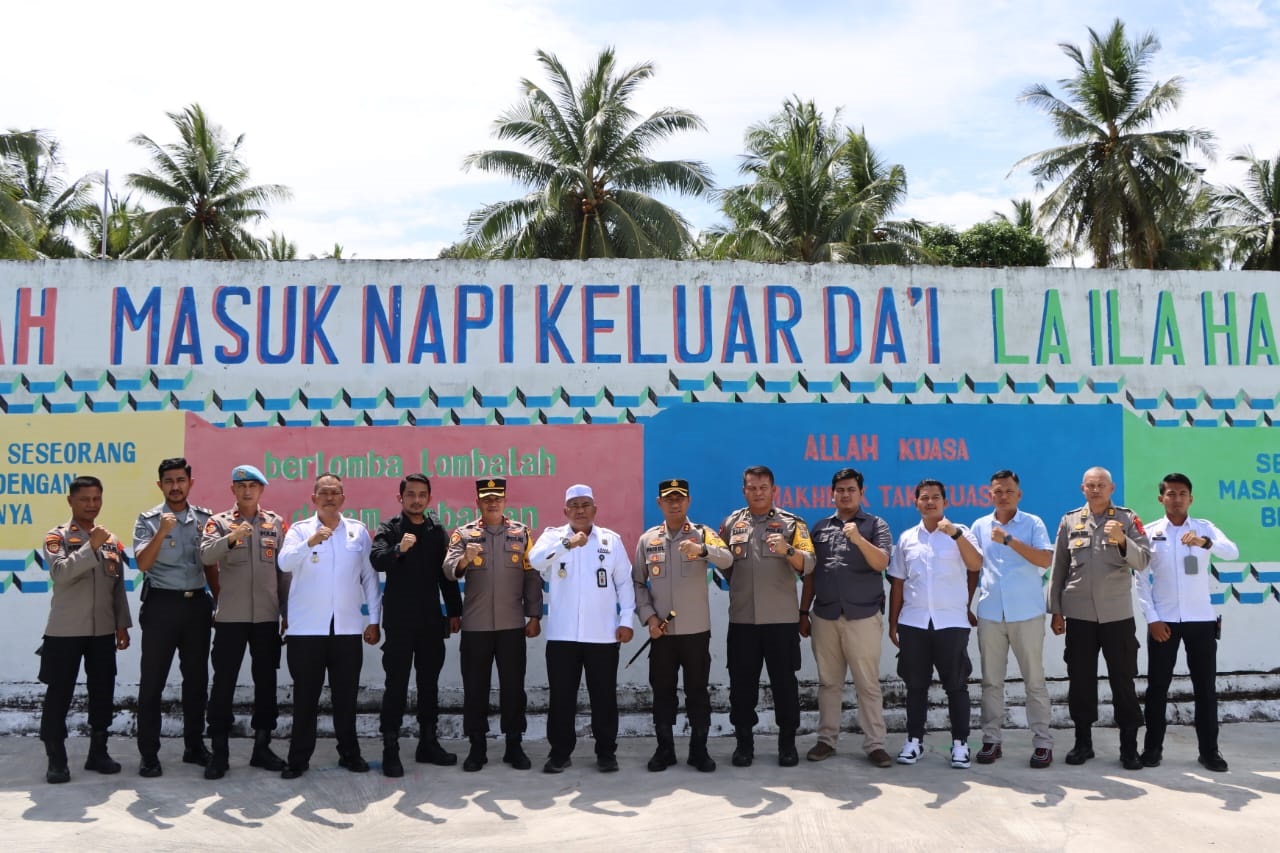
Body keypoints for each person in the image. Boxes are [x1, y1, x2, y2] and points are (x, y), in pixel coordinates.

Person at [277, 474, 382, 778]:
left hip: (346, 630)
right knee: (305, 699)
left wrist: (374, 620)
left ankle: (350, 754)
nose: (329, 498)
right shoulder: (300, 530)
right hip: (306, 631)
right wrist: (310, 543)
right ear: (313, 498)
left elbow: (369, 578)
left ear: (343, 498)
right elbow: (284, 563)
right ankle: (298, 760)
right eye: (323, 493)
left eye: (335, 493)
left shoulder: (357, 532)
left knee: (346, 699)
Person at [1049, 466, 1151, 771]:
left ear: (1111, 488)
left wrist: (1122, 540)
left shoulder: (1127, 519)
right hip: (1079, 614)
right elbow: (1059, 567)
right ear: (1083, 488)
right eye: (1090, 485)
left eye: (1101, 485)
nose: (1095, 490)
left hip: (1116, 616)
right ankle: (1083, 743)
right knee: (1080, 681)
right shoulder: (1069, 521)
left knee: (1123, 681)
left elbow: (1143, 560)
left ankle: (1129, 748)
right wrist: (1056, 610)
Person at [1136, 473, 1238, 773]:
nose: (1177, 498)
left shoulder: (1205, 528)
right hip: (1164, 621)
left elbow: (1232, 552)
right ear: (1161, 499)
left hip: (1201, 620)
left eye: (1182, 494)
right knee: (1157, 688)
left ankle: (1210, 752)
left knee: (1205, 688)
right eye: (1171, 493)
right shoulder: (1150, 532)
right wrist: (1152, 619)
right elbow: (1140, 580)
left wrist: (1205, 543)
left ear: (1191, 499)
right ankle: (1152, 749)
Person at [529, 484, 635, 774]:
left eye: (585, 504)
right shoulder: (553, 537)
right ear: (565, 511)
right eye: (574, 505)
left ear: (595, 509)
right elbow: (535, 561)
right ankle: (560, 753)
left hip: (602, 635)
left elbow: (624, 583)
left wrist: (626, 620)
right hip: (562, 636)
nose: (580, 510)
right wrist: (567, 544)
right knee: (561, 697)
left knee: (604, 697)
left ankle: (606, 752)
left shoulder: (610, 541)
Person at [632, 478, 732, 773]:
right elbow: (637, 583)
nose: (674, 504)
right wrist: (649, 618)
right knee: (662, 692)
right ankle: (664, 749)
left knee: (697, 692)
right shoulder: (648, 540)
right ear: (659, 503)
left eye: (680, 498)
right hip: (661, 633)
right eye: (669, 499)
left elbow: (727, 559)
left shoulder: (703, 534)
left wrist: (702, 551)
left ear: (688, 501)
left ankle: (699, 750)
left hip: (695, 632)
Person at [719, 465, 816, 768]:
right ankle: (743, 745)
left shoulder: (793, 524)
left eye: (763, 487)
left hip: (781, 622)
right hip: (743, 621)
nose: (757, 492)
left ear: (774, 490)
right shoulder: (731, 523)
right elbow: (725, 566)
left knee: (784, 686)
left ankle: (787, 745)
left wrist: (788, 551)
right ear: (744, 490)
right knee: (741, 687)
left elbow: (809, 564)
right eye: (752, 487)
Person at [38, 475, 132, 784]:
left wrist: (121, 625)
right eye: (84, 499)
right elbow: (61, 573)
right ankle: (56, 759)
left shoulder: (110, 539)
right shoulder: (57, 536)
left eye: (96, 499)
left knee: (103, 692)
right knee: (59, 695)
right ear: (70, 501)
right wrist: (91, 546)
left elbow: (117, 587)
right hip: (64, 631)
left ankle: (98, 753)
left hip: (102, 631)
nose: (91, 505)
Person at [444, 478, 543, 772]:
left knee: (513, 688)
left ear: (505, 501)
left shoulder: (521, 533)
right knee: (475, 689)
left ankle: (514, 745)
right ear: (477, 502)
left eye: (497, 498)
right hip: (476, 627)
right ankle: (477, 747)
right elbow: (449, 570)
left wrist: (534, 616)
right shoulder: (464, 534)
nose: (492, 503)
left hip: (512, 625)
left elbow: (532, 576)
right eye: (486, 499)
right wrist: (465, 560)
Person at [199, 464, 289, 780]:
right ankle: (219, 752)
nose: (247, 491)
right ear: (233, 490)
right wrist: (231, 538)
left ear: (261, 490)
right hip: (230, 619)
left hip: (266, 617)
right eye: (241, 486)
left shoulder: (275, 523)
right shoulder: (219, 523)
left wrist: (287, 612)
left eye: (253, 486)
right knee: (223, 684)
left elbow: (283, 572)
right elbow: (206, 557)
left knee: (266, 683)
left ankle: (262, 747)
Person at [799, 467, 893, 769]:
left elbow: (881, 562)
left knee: (867, 684)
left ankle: (875, 744)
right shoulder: (820, 528)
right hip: (825, 615)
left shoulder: (875, 524)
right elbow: (811, 575)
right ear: (832, 494)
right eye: (840, 490)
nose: (845, 495)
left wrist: (858, 539)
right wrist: (803, 612)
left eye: (851, 489)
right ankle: (826, 740)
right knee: (829, 683)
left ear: (861, 493)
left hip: (862, 616)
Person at [371, 473, 463, 778]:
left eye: (422, 495)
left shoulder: (437, 531)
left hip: (430, 620)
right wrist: (399, 549)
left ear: (429, 498)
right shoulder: (390, 528)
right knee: (396, 684)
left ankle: (428, 742)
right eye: (410, 494)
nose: (416, 500)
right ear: (400, 498)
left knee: (429, 683)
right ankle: (390, 747)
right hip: (399, 620)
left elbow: (446, 576)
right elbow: (377, 559)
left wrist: (454, 611)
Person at [888, 478, 983, 769]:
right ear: (916, 502)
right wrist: (892, 622)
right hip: (913, 622)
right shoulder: (907, 538)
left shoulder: (961, 532)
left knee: (956, 685)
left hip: (951, 622)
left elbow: (975, 564)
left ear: (945, 502)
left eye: (935, 497)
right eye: (924, 497)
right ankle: (914, 741)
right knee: (916, 685)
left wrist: (955, 534)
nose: (930, 502)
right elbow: (898, 583)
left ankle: (960, 744)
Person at [132, 458, 214, 777]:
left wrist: (219, 601)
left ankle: (194, 746)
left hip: (196, 607)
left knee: (196, 681)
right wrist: (162, 532)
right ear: (160, 485)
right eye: (169, 481)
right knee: (152, 683)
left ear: (190, 483)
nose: (175, 486)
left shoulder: (205, 519)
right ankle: (149, 754)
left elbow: (210, 565)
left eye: (181, 480)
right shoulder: (148, 520)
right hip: (161, 607)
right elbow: (142, 563)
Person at [969, 469, 1055, 769]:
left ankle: (1043, 742)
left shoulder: (1033, 523)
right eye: (997, 491)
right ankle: (991, 740)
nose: (1003, 496)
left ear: (1019, 494)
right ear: (989, 494)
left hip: (1026, 613)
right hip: (991, 612)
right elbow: (974, 567)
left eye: (1008, 491)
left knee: (1034, 681)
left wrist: (1010, 541)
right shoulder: (980, 525)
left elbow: (1045, 559)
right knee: (991, 682)